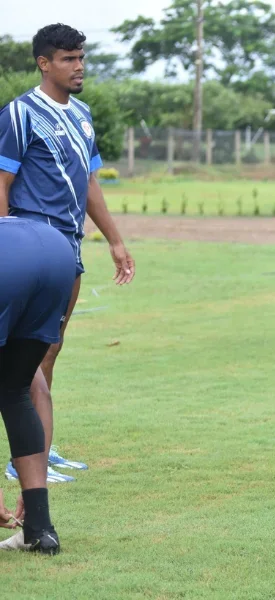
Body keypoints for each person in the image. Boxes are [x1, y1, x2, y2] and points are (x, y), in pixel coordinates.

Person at [0, 24, 135, 484]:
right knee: (24, 353)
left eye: (81, 57)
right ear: (44, 63)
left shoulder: (83, 114)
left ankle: (40, 447)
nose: (79, 66)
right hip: (28, 247)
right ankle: (22, 460)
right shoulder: (19, 114)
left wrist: (115, 240)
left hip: (67, 251)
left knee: (49, 348)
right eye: (68, 58)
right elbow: (2, 184)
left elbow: (90, 181)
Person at [0, 216, 77, 554]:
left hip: (12, 263)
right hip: (59, 251)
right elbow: (39, 389)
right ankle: (39, 527)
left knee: (14, 390)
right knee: (17, 388)